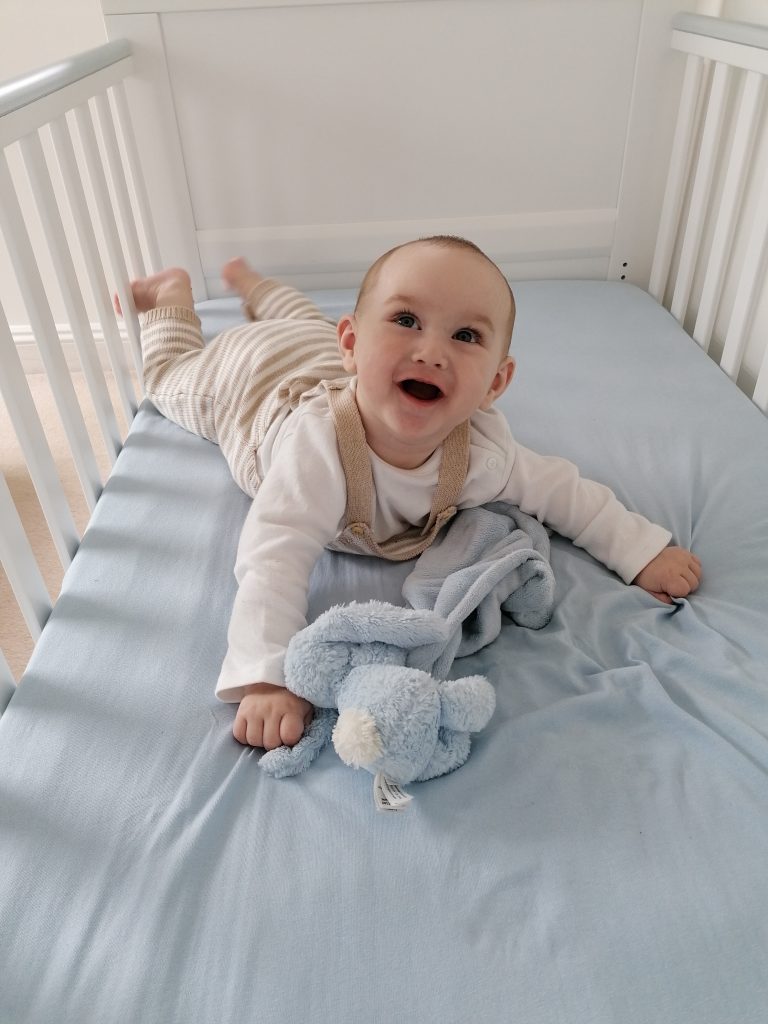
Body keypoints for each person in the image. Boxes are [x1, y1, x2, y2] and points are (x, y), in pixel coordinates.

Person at [124, 236, 702, 752]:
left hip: (321, 349)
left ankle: (257, 288)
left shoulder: (480, 452)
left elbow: (560, 489)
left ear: (495, 385)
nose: (431, 351)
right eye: (405, 320)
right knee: (171, 378)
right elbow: (275, 552)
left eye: (466, 335)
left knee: (307, 324)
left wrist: (639, 550)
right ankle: (173, 301)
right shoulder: (318, 450)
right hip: (253, 386)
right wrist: (267, 674)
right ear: (355, 344)